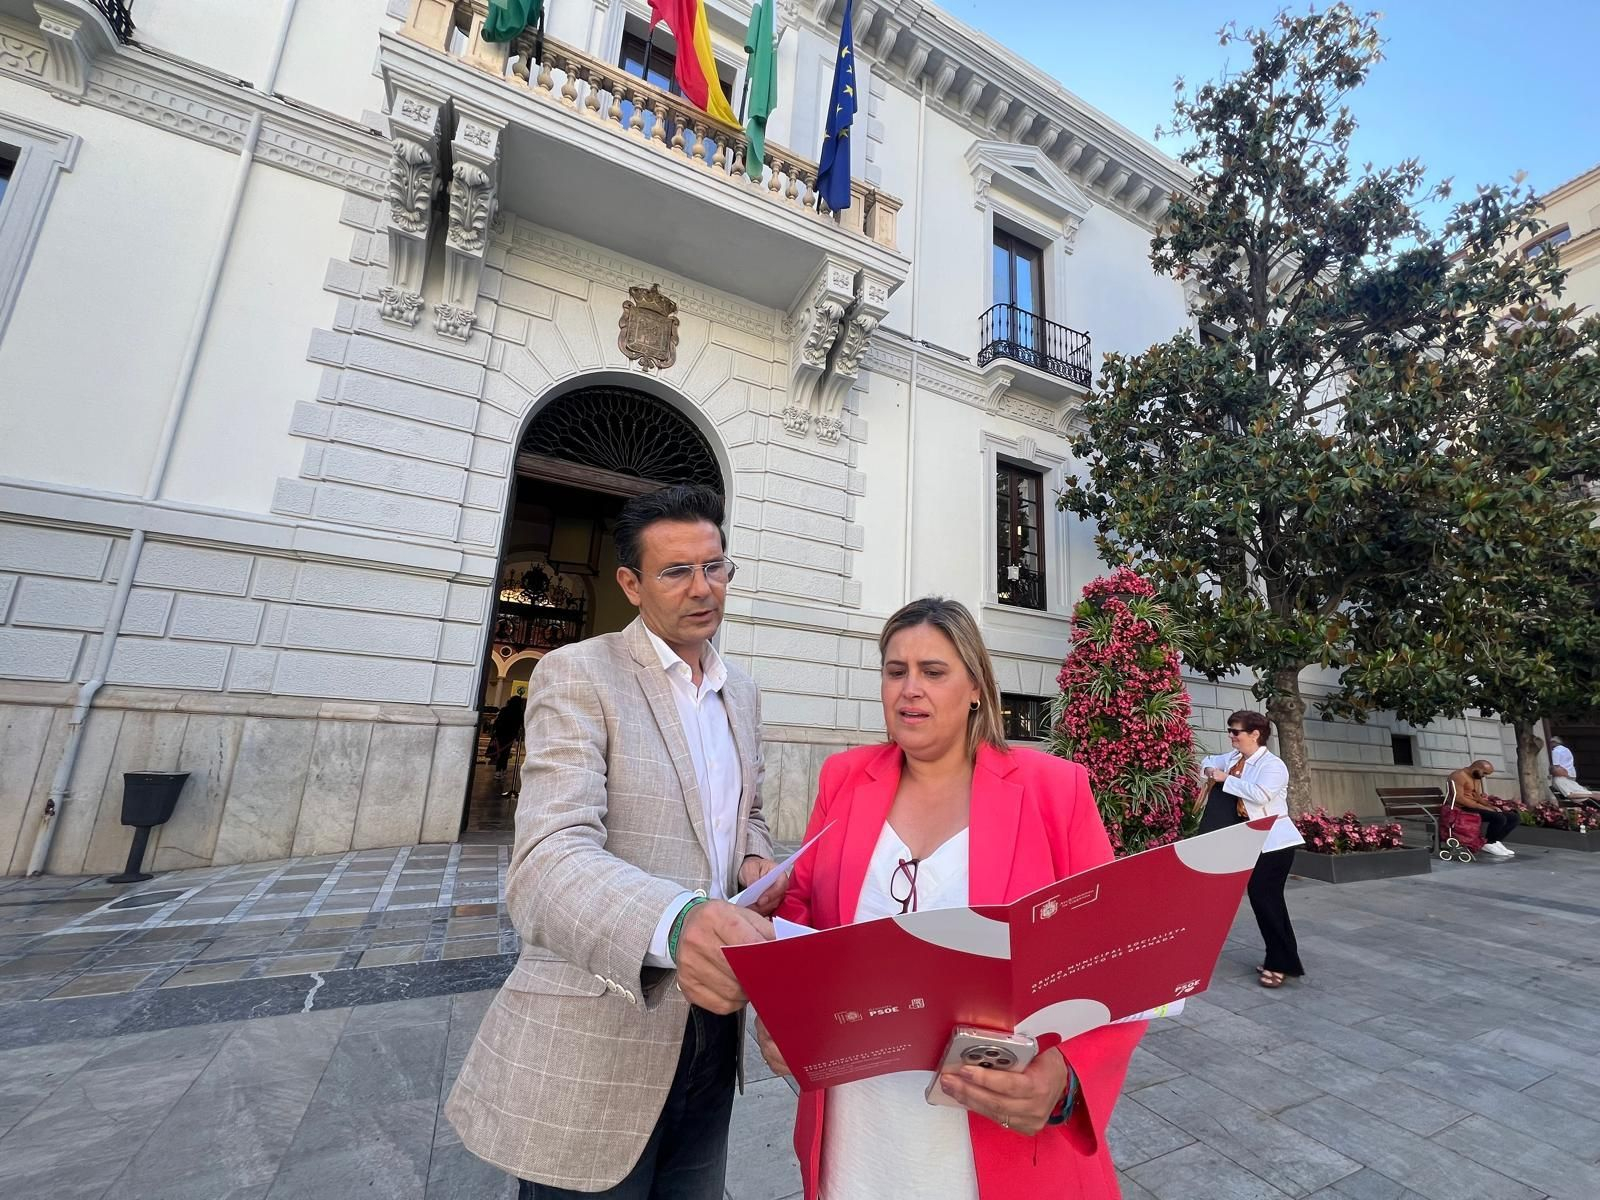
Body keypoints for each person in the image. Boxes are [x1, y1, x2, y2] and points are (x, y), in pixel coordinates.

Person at [447, 484, 784, 1200]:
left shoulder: (743, 692)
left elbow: (741, 815)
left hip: (712, 1038)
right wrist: (680, 921)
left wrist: (755, 856)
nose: (704, 589)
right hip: (599, 1037)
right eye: (676, 572)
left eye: (716, 567)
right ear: (630, 583)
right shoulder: (580, 674)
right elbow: (546, 864)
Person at [758, 597, 1143, 1200]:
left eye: (933, 672)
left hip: (997, 1141)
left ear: (974, 689)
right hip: (860, 1136)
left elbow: (1118, 959)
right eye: (895, 671)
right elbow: (803, 914)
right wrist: (780, 1012)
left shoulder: (1053, 790)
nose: (910, 689)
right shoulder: (844, 779)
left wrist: (1065, 1079)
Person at [1198, 711, 1305, 989]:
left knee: (1265, 899)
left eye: (1236, 731)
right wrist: (1212, 771)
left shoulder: (1273, 765)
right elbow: (1207, 762)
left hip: (1274, 842)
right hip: (1247, 838)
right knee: (1267, 901)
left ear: (1255, 734)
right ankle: (1284, 959)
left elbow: (1261, 794)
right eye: (1230, 730)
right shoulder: (1233, 759)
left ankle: (1280, 963)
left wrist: (1225, 779)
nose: (1231, 736)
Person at [1446, 760, 1519, 857]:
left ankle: (1494, 841)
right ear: (1476, 768)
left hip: (1473, 806)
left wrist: (1490, 806)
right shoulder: (1458, 776)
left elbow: (1477, 796)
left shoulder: (1476, 777)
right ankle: (1488, 843)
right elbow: (1459, 799)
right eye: (1484, 773)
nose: (1484, 776)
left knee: (1514, 817)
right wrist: (1484, 808)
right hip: (1461, 808)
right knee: (1499, 818)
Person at [488, 691, 526, 797]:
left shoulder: (504, 710)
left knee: (500, 752)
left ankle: (498, 771)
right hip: (510, 735)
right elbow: (521, 724)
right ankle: (502, 770)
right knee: (505, 752)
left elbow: (498, 721)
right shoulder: (519, 713)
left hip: (501, 734)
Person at [1549, 736, 1598, 801]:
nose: (1565, 769)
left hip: (1586, 794)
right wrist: (1591, 795)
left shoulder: (1556, 751)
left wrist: (1591, 793)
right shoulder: (1559, 780)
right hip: (1587, 798)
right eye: (1563, 769)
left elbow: (1556, 764)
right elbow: (1570, 795)